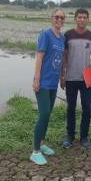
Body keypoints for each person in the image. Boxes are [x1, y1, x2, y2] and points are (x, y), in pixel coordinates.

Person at [30, 9, 65, 165]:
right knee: (43, 114)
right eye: (57, 17)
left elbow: (61, 60)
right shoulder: (46, 34)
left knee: (48, 114)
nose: (59, 20)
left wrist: (62, 77)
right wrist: (37, 78)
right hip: (43, 82)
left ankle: (43, 144)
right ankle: (35, 151)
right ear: (52, 18)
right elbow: (39, 57)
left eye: (62, 18)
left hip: (53, 83)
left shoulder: (62, 38)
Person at [60, 8, 91, 150]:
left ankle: (84, 136)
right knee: (71, 108)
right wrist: (62, 76)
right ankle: (70, 135)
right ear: (75, 19)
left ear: (88, 19)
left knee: (87, 108)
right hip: (70, 78)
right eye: (79, 17)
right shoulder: (68, 35)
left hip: (86, 79)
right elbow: (64, 57)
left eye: (84, 17)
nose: (82, 20)